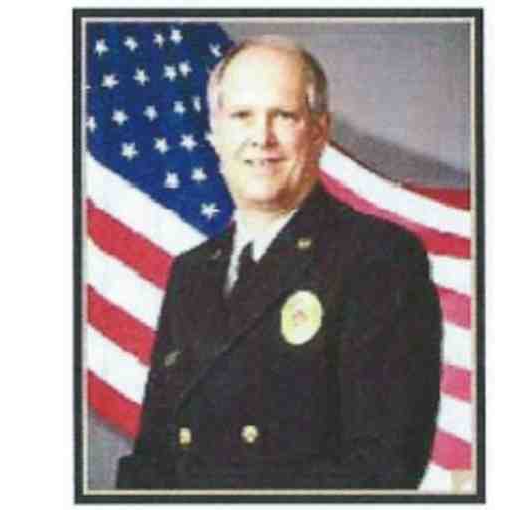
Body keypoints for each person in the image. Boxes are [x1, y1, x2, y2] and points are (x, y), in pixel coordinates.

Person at [116, 36, 442, 490]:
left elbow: (382, 471)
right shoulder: (191, 272)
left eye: (284, 116)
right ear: (215, 133)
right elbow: (152, 457)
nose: (261, 138)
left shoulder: (378, 260)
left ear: (319, 131)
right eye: (242, 116)